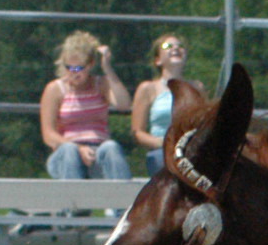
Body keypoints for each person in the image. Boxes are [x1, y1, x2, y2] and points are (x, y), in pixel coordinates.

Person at [40, 32, 130, 180]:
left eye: (79, 68)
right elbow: (48, 134)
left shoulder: (101, 84)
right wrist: (79, 148)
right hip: (66, 152)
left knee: (111, 147)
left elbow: (124, 104)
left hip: (97, 149)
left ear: (90, 65)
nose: (74, 73)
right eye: (69, 68)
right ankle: (73, 195)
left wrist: (108, 69)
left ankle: (123, 194)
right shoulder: (55, 89)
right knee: (69, 151)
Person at [130, 35, 190, 152]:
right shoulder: (148, 88)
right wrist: (164, 143)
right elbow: (137, 132)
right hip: (161, 151)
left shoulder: (196, 87)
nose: (176, 48)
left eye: (180, 46)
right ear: (158, 60)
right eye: (168, 46)